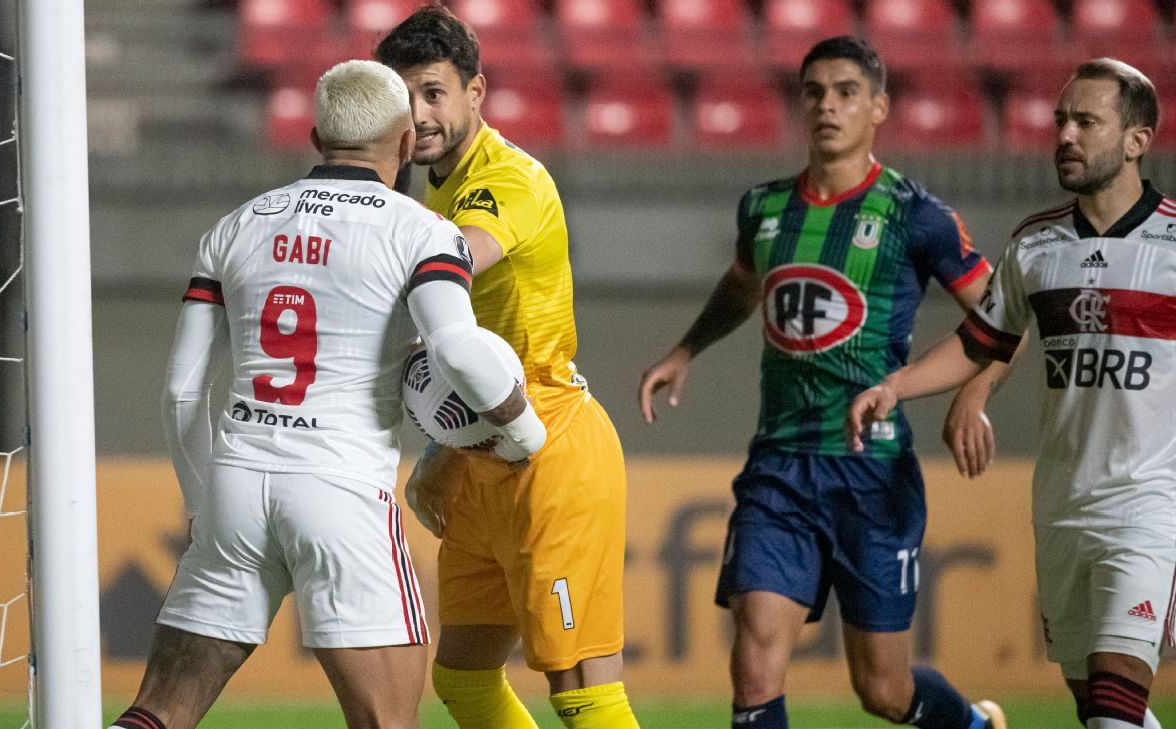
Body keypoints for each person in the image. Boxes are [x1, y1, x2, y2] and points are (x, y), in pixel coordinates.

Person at [107, 59, 546, 729]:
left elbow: (180, 390)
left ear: (315, 138)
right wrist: (522, 431)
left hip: (237, 482)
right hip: (340, 488)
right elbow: (456, 349)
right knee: (386, 721)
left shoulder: (235, 226)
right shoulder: (422, 232)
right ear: (405, 142)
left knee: (158, 712)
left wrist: (200, 503)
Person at [638, 36, 1007, 729]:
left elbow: (1003, 316)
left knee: (884, 692)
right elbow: (745, 283)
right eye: (814, 92)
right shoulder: (765, 207)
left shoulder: (913, 214)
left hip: (873, 474)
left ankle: (976, 724)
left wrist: (974, 393)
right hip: (778, 467)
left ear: (879, 108)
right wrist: (687, 346)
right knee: (753, 664)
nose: (828, 105)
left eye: (845, 92)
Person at [848, 58, 1172, 729]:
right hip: (1062, 508)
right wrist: (896, 387)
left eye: (1087, 121)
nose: (1066, 135)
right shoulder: (1037, 244)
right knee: (1099, 711)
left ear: (1138, 139)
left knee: (1114, 709)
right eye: (1061, 120)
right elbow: (982, 341)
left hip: (1151, 509)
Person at [374, 8, 641, 729]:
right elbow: (459, 341)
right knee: (462, 678)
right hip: (479, 455)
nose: (419, 115)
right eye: (403, 99)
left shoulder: (506, 180)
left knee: (579, 686)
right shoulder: (436, 185)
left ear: (475, 91)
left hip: (549, 447)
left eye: (434, 92)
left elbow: (453, 260)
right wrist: (442, 451)